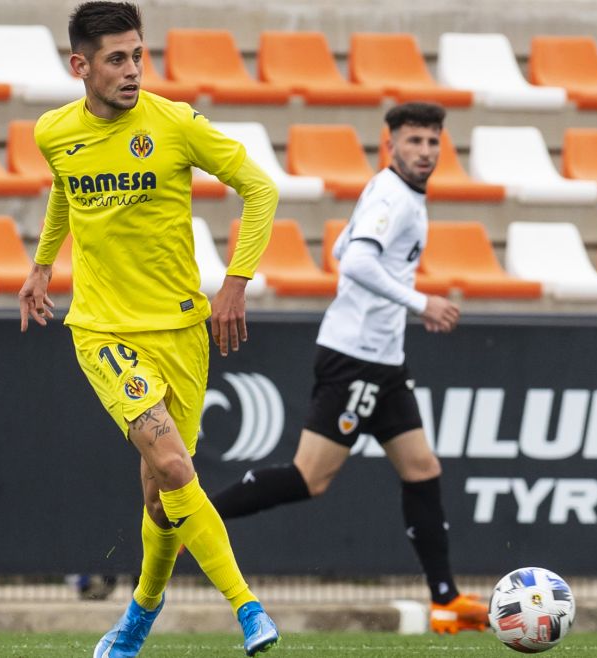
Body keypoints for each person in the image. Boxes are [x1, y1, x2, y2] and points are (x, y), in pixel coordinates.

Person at [17, 2, 281, 655]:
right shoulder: (54, 131)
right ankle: (247, 608)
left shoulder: (175, 124)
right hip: (102, 329)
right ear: (81, 65)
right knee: (171, 461)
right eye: (116, 58)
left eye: (138, 54)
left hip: (183, 330)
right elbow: (65, 186)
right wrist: (44, 266)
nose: (133, 69)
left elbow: (261, 188)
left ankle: (139, 611)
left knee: (165, 497)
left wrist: (236, 281)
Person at [208, 101, 486, 634]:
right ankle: (187, 518)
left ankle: (445, 599)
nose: (425, 151)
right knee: (309, 478)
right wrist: (420, 302)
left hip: (384, 361)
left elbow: (342, 243)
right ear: (391, 145)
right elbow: (354, 260)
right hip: (354, 357)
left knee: (423, 469)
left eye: (433, 141)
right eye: (414, 141)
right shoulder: (392, 195)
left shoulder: (396, 192)